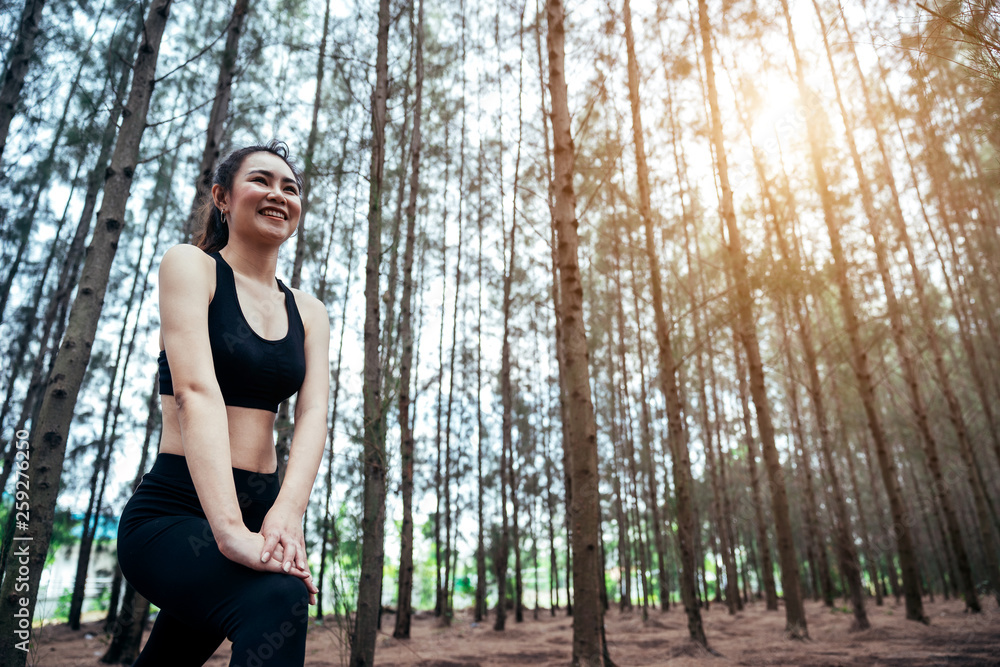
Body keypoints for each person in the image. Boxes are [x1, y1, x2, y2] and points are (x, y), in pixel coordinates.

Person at [117, 140, 330, 666]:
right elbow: (196, 392)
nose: (278, 194)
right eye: (261, 181)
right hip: (177, 509)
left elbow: (313, 414)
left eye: (291, 187)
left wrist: (286, 513)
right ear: (222, 197)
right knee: (279, 599)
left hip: (264, 508)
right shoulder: (192, 266)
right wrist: (230, 531)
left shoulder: (310, 311)